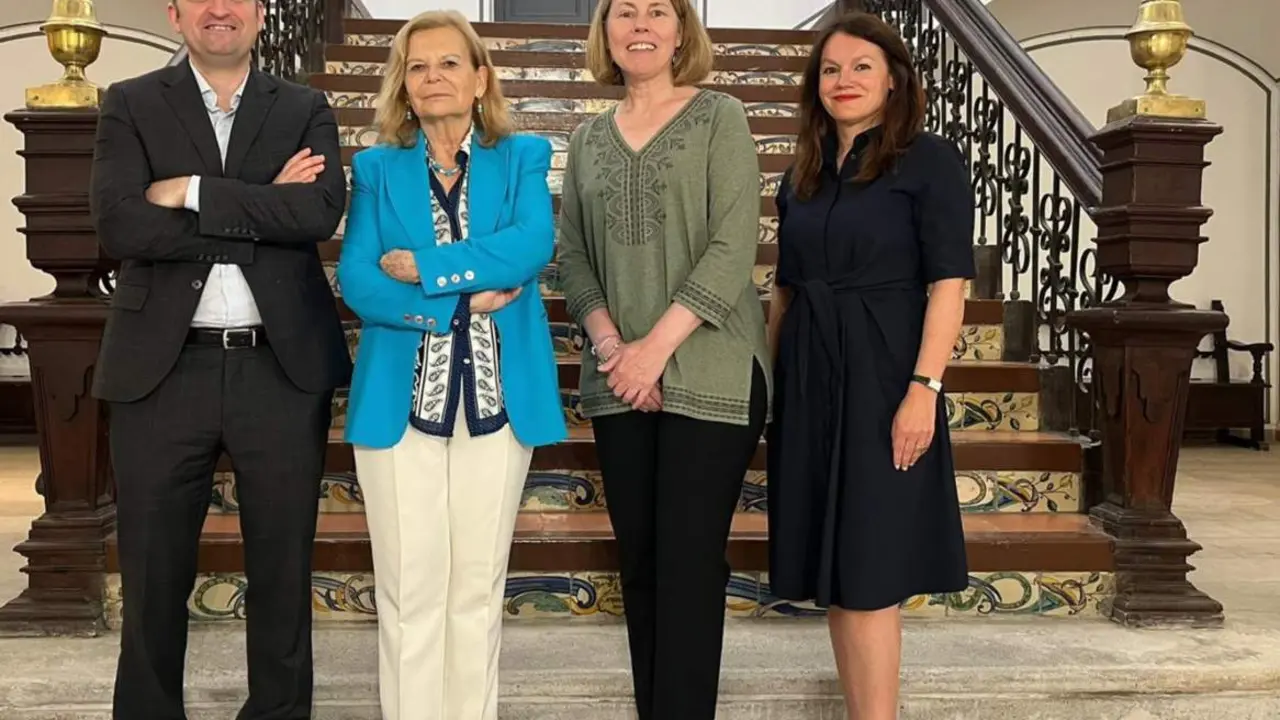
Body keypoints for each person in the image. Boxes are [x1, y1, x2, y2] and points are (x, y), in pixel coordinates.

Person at [88, 0, 350, 716]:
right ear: (175, 14)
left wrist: (193, 193)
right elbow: (120, 223)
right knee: (151, 570)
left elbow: (318, 212)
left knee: (283, 565)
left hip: (280, 368)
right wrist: (261, 208)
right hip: (161, 371)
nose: (219, 8)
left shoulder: (303, 106)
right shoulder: (132, 103)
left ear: (262, 14)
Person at [335, 10, 567, 720]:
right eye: (417, 66)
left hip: (500, 404)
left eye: (448, 63)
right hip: (398, 410)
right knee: (410, 590)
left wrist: (428, 269)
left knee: (475, 588)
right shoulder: (375, 168)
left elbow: (531, 246)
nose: (433, 77)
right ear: (402, 86)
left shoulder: (521, 157)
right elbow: (361, 281)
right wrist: (460, 302)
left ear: (480, 79)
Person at [555, 1, 770, 717]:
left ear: (682, 30)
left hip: (711, 368)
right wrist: (616, 348)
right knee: (642, 565)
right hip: (618, 378)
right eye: (624, 11)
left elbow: (734, 244)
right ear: (606, 31)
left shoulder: (721, 116)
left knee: (686, 562)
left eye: (657, 10)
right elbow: (575, 256)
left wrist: (654, 351)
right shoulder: (585, 140)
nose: (640, 23)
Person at [765, 11, 974, 720]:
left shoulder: (929, 159)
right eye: (829, 69)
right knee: (833, 568)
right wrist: (773, 384)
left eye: (860, 67)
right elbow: (784, 291)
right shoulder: (802, 178)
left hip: (886, 376)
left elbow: (948, 282)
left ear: (893, 79)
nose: (843, 80)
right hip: (810, 375)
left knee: (869, 566)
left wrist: (924, 389)